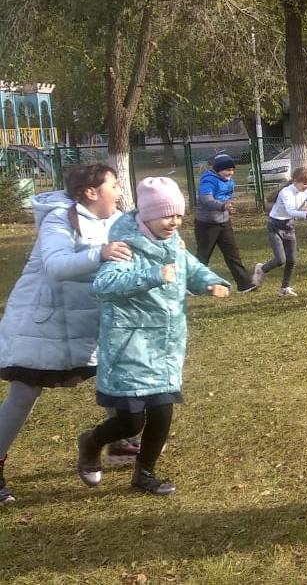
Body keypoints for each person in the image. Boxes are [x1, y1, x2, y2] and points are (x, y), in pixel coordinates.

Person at [76, 177, 229, 496]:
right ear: (146, 216)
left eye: (178, 216)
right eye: (166, 215)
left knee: (162, 411)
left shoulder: (173, 243)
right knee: (131, 422)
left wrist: (210, 282)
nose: (174, 222)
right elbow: (103, 286)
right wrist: (153, 275)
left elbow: (189, 267)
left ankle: (144, 473)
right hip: (130, 347)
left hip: (165, 345)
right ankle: (91, 441)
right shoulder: (125, 246)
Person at [0, 165, 134, 505]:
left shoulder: (118, 220)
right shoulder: (59, 220)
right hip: (41, 322)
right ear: (91, 192)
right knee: (24, 393)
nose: (120, 190)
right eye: (114, 185)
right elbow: (56, 267)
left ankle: (120, 442)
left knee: (114, 376)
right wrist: (100, 253)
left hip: (88, 320)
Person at [194, 153, 256, 293]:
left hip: (223, 222)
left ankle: (244, 284)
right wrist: (223, 206)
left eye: (232, 170)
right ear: (218, 169)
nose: (230, 173)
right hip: (206, 224)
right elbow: (206, 200)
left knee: (232, 253)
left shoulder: (229, 182)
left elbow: (226, 199)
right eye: (227, 170)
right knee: (203, 256)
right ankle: (191, 284)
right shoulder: (208, 181)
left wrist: (229, 208)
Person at [252, 166, 307, 298]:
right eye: (304, 183)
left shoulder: (306, 191)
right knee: (280, 260)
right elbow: (290, 211)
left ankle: (284, 289)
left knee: (292, 260)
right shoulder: (286, 192)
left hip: (289, 226)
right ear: (295, 181)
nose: (306, 186)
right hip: (275, 226)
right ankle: (261, 269)